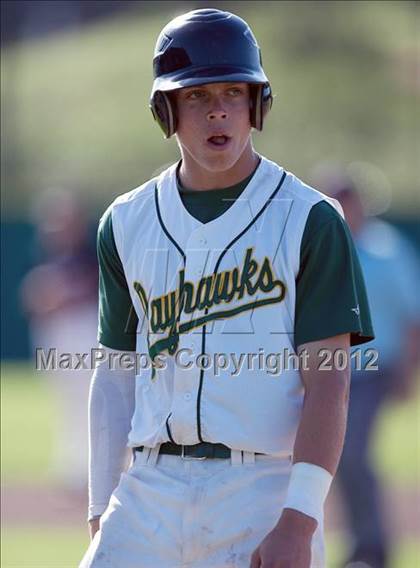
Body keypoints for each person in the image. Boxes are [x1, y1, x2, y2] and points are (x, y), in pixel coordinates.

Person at [79, 9, 374, 568]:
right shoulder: (125, 221)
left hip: (260, 488)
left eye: (234, 92)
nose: (218, 109)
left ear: (257, 105)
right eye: (196, 95)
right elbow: (114, 374)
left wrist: (299, 518)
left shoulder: (310, 219)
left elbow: (329, 385)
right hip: (149, 491)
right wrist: (100, 508)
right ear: (165, 110)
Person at [319, 173, 420, 568]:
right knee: (338, 456)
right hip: (330, 369)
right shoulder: (321, 248)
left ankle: (373, 546)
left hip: (374, 368)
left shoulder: (386, 249)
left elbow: (412, 317)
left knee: (353, 453)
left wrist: (407, 373)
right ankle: (363, 542)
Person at [21, 188, 98, 492]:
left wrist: (61, 295)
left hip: (86, 340)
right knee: (69, 405)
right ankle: (73, 467)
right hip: (59, 341)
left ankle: (88, 471)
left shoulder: (88, 255)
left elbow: (92, 291)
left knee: (91, 404)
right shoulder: (51, 261)